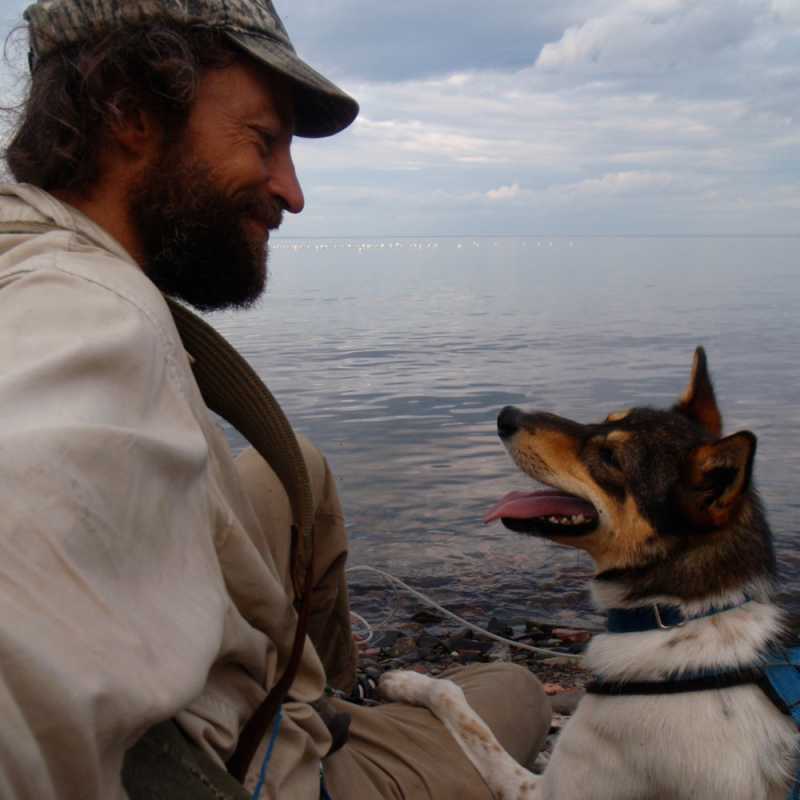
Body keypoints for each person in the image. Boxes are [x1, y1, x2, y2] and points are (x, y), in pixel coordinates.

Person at [0, 1, 552, 798]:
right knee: (516, 691)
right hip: (254, 770)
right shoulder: (92, 319)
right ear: (127, 112)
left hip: (224, 699)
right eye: (263, 141)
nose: (292, 194)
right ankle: (325, 754)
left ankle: (328, 701)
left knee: (299, 471)